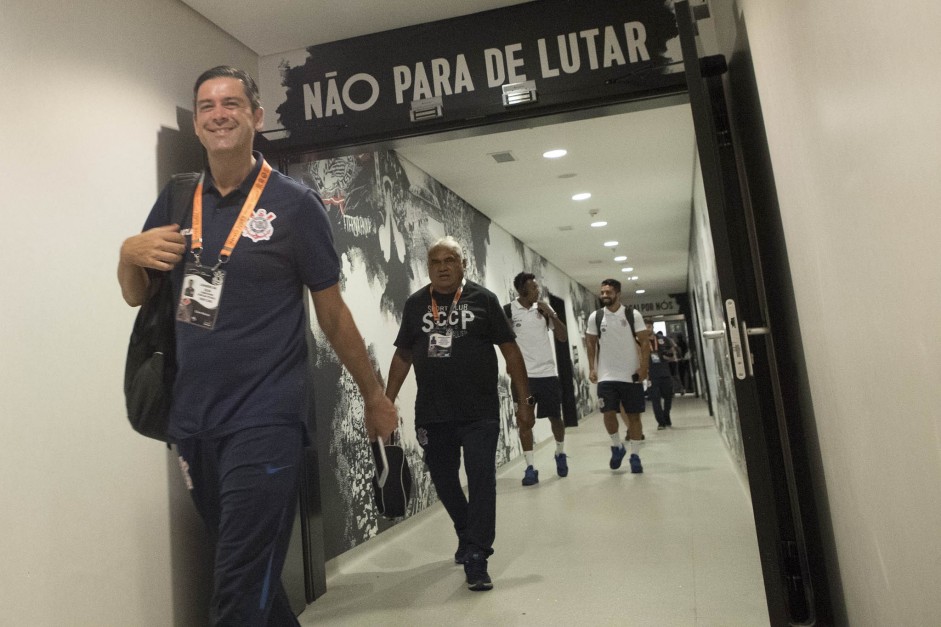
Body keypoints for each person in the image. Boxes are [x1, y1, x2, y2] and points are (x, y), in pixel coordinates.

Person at [117, 66, 397, 626]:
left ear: (256, 116)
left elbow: (333, 312)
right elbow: (136, 297)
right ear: (196, 124)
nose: (219, 114)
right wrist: (127, 253)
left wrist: (374, 395)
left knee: (238, 590)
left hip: (266, 418)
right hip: (192, 419)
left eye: (231, 103)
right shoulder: (177, 200)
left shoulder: (295, 206)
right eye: (206, 107)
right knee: (251, 575)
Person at [385, 236, 533, 592]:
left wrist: (523, 401)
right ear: (428, 268)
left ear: (463, 264)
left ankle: (478, 556)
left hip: (480, 410)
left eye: (450, 260)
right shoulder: (417, 303)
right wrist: (386, 401)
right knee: (444, 478)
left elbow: (511, 352)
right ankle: (466, 532)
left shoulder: (483, 300)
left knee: (482, 479)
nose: (443, 266)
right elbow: (403, 354)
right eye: (435, 261)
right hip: (433, 412)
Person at [504, 272, 569, 485]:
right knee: (525, 421)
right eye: (534, 288)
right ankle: (530, 467)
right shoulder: (508, 311)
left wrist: (552, 314)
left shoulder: (543, 309)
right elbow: (505, 342)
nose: (537, 291)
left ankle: (560, 452)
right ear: (522, 290)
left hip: (548, 375)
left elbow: (562, 336)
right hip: (524, 379)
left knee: (556, 418)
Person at [585, 279, 651, 473]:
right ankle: (617, 446)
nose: (605, 295)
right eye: (602, 292)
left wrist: (644, 368)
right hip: (606, 375)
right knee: (607, 413)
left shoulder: (632, 315)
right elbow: (590, 343)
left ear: (618, 294)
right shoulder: (596, 317)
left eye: (609, 292)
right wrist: (592, 367)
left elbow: (645, 343)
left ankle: (635, 456)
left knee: (634, 417)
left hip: (630, 374)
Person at [645, 324, 676, 430]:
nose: (646, 329)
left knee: (668, 397)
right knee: (655, 399)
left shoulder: (663, 339)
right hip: (651, 375)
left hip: (664, 372)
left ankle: (666, 414)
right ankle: (661, 422)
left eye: (648, 327)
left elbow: (673, 354)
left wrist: (668, 356)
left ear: (652, 327)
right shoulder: (640, 341)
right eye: (644, 327)